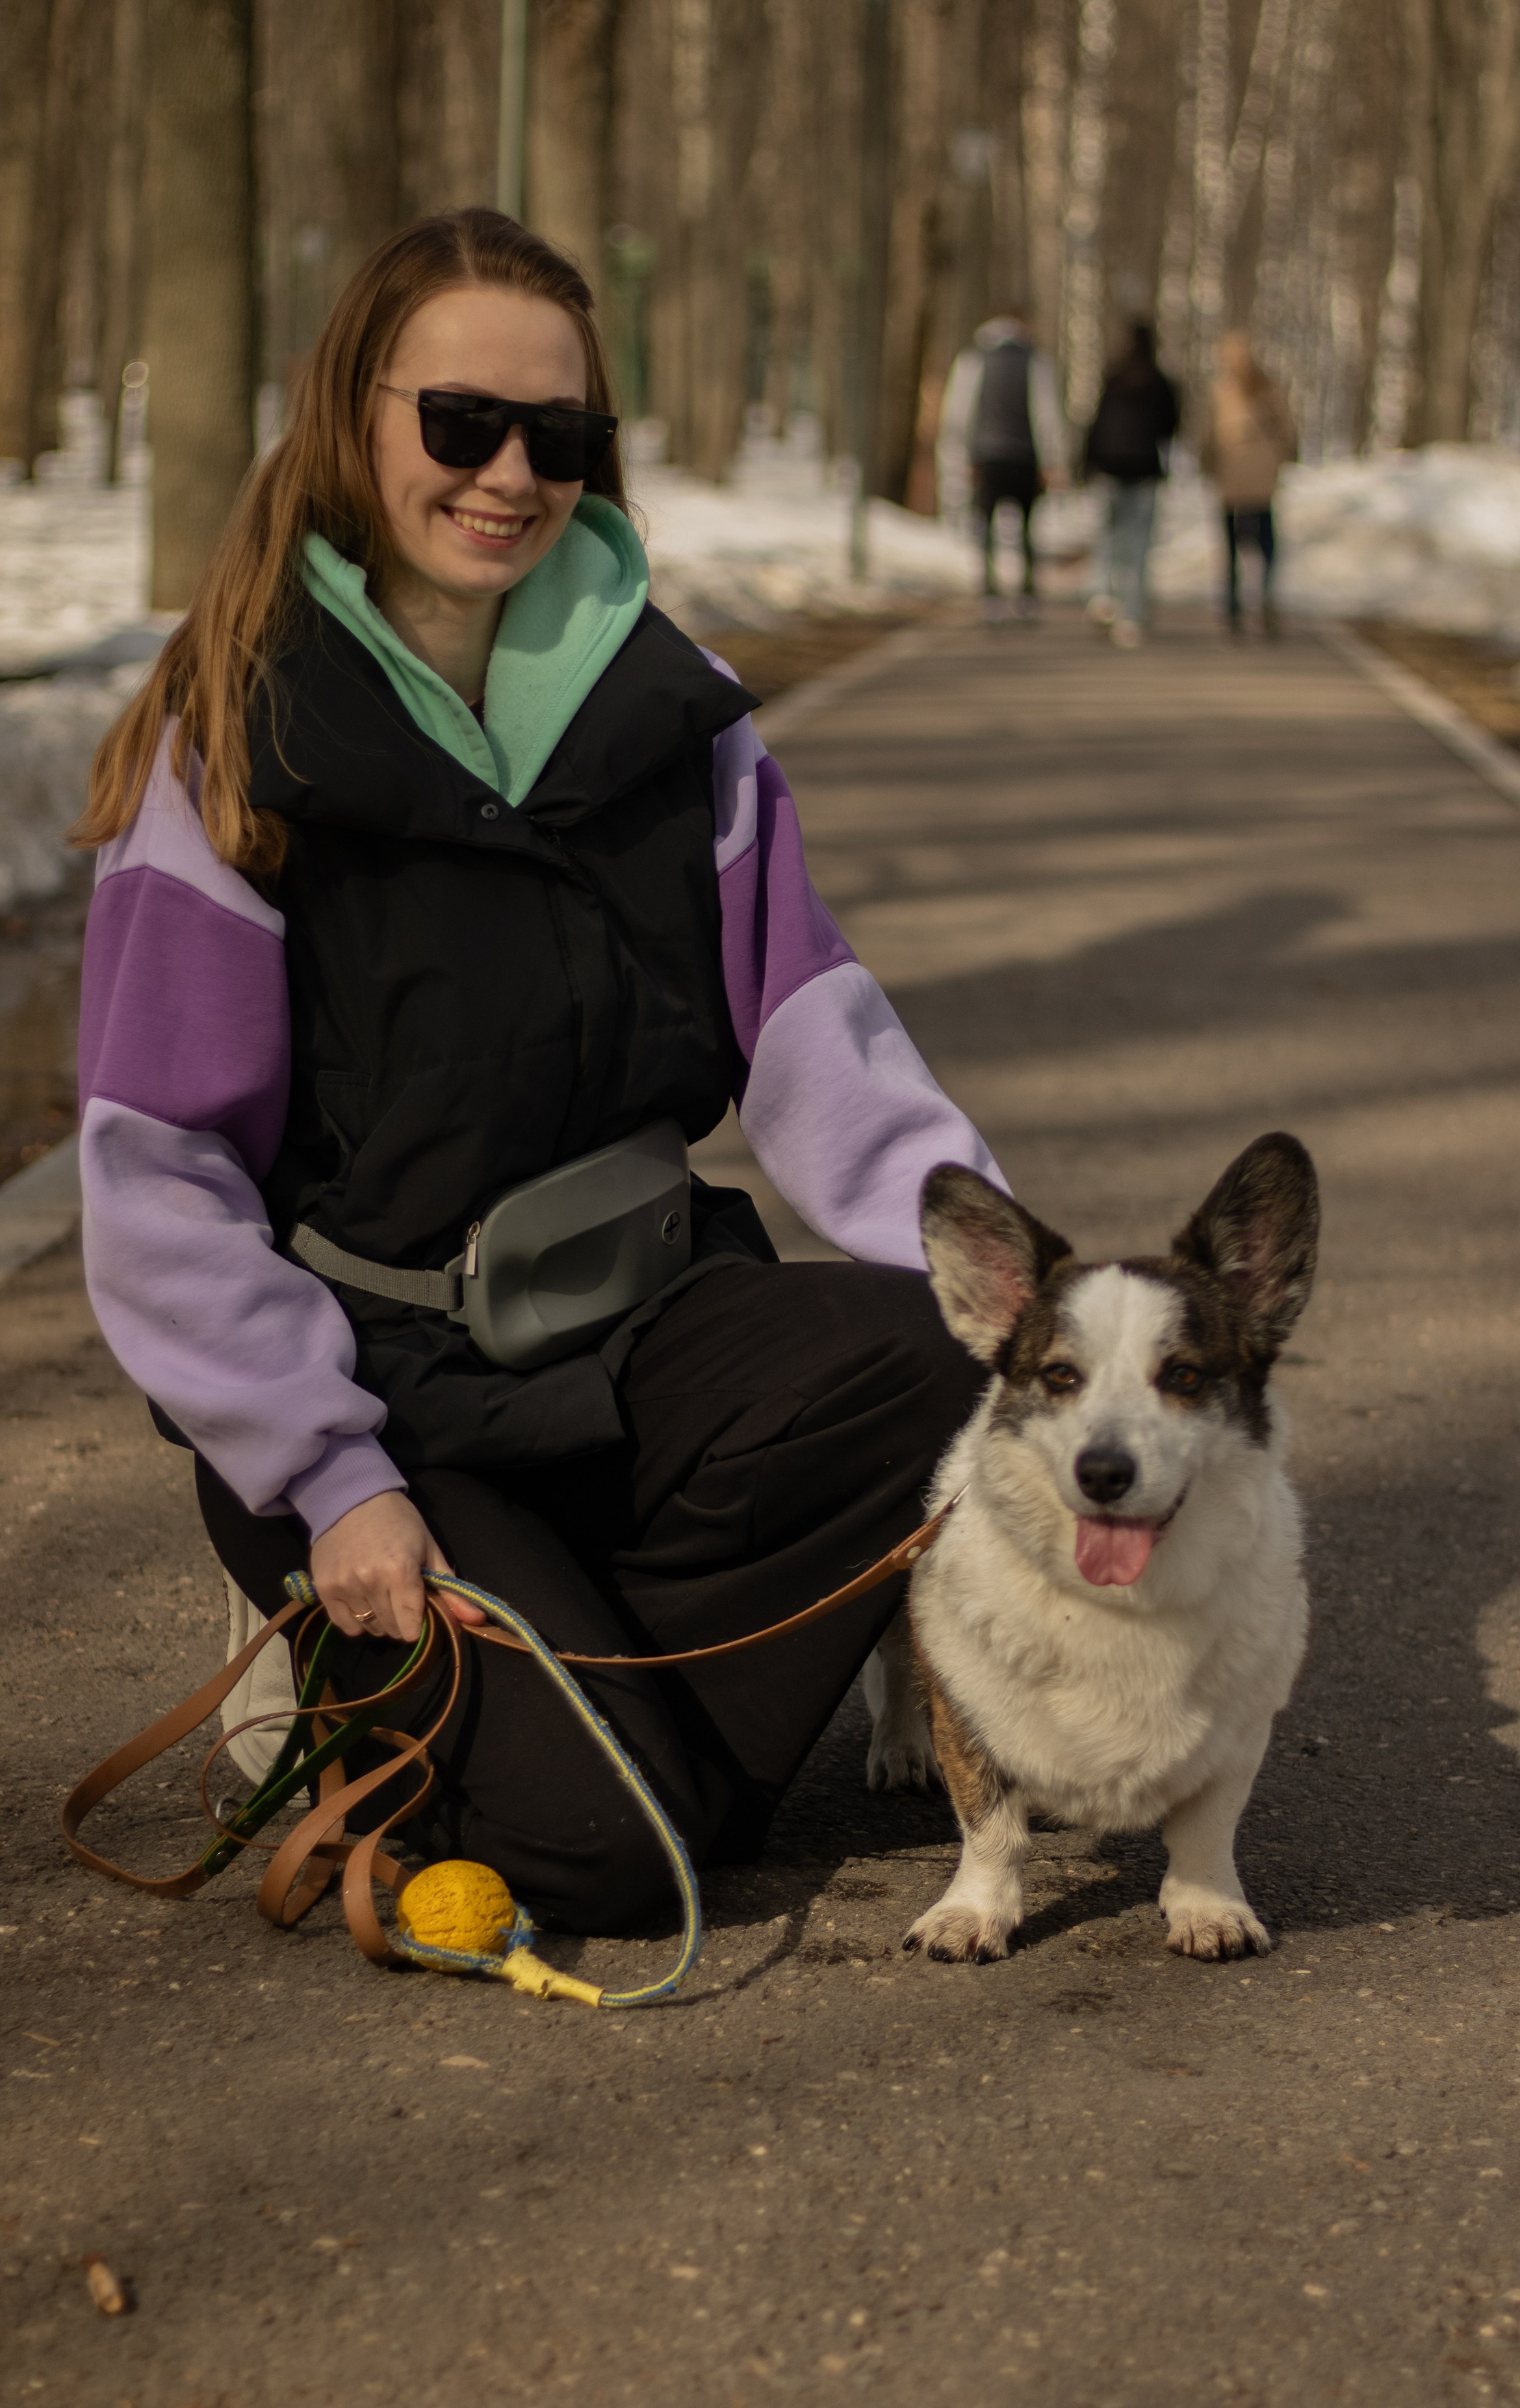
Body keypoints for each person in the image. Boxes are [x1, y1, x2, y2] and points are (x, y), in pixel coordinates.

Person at [75, 209, 1003, 1934]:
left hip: (645, 1331)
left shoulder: (680, 720)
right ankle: (486, 1703)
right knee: (604, 1862)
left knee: (944, 1362)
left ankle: (593, 1704)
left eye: (560, 438)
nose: (512, 473)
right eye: (462, 425)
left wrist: (1036, 1305)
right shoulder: (240, 738)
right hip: (387, 1398)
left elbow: (822, 1045)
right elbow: (161, 1177)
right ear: (358, 415)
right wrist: (328, 1472)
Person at [937, 313, 1068, 622]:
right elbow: (1046, 416)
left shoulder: (974, 361)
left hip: (988, 458)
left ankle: (990, 594)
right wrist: (1052, 461)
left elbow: (959, 413)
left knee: (987, 528)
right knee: (1026, 531)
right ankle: (1026, 595)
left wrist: (962, 458)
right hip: (1025, 458)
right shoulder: (1036, 363)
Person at [1081, 321, 1180, 648]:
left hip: (1110, 468)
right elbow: (1172, 428)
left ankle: (1103, 595)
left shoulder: (1113, 377)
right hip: (1144, 470)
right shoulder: (1160, 382)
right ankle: (1132, 616)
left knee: (1108, 537)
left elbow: (1095, 423)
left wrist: (1087, 463)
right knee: (1138, 545)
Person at [1200, 331, 1297, 635]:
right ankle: (1265, 596)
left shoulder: (1222, 392)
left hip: (1231, 478)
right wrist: (1280, 460)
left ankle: (1232, 608)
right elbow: (1289, 432)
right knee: (1266, 543)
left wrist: (1208, 466)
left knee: (1231, 546)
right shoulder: (1270, 390)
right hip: (1262, 477)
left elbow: (1208, 436)